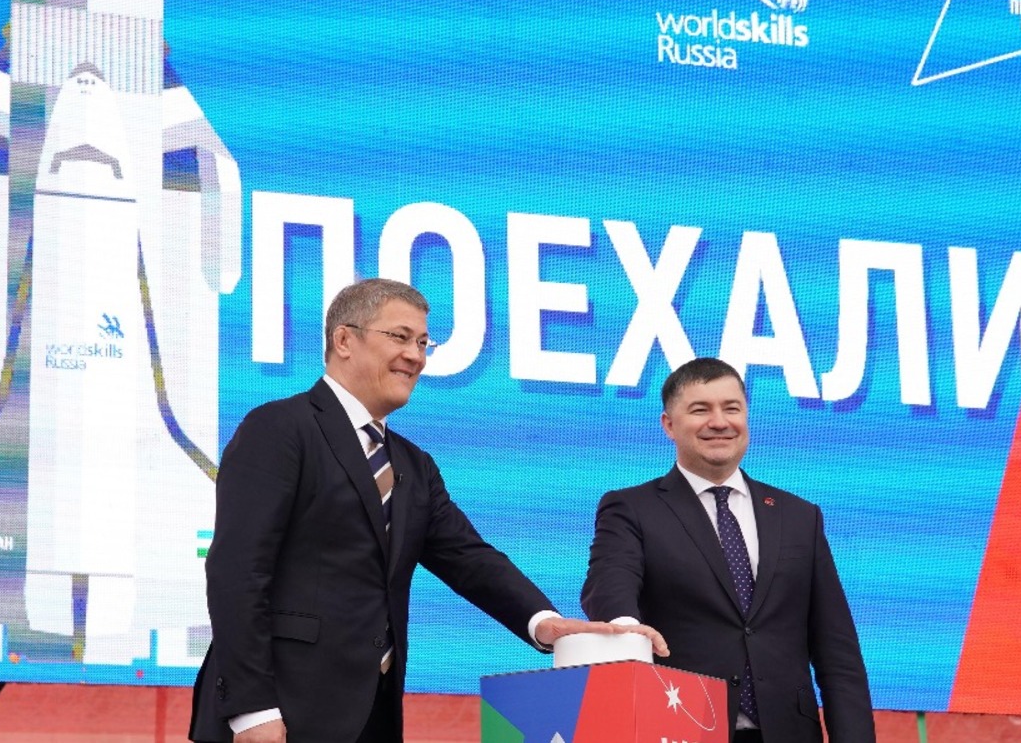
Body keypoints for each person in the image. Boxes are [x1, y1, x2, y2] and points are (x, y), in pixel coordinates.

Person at [191, 278, 664, 742]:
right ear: (344, 340)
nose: (416, 356)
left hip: (372, 717)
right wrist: (253, 709)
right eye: (399, 337)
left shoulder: (413, 465)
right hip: (278, 713)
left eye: (422, 343)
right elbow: (238, 571)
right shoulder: (279, 427)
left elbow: (469, 557)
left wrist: (545, 623)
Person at [581, 357, 875, 743]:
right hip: (682, 727)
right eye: (700, 410)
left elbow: (838, 652)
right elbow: (609, 585)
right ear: (668, 424)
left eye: (731, 408)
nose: (719, 422)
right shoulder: (632, 508)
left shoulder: (799, 516)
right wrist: (625, 630)